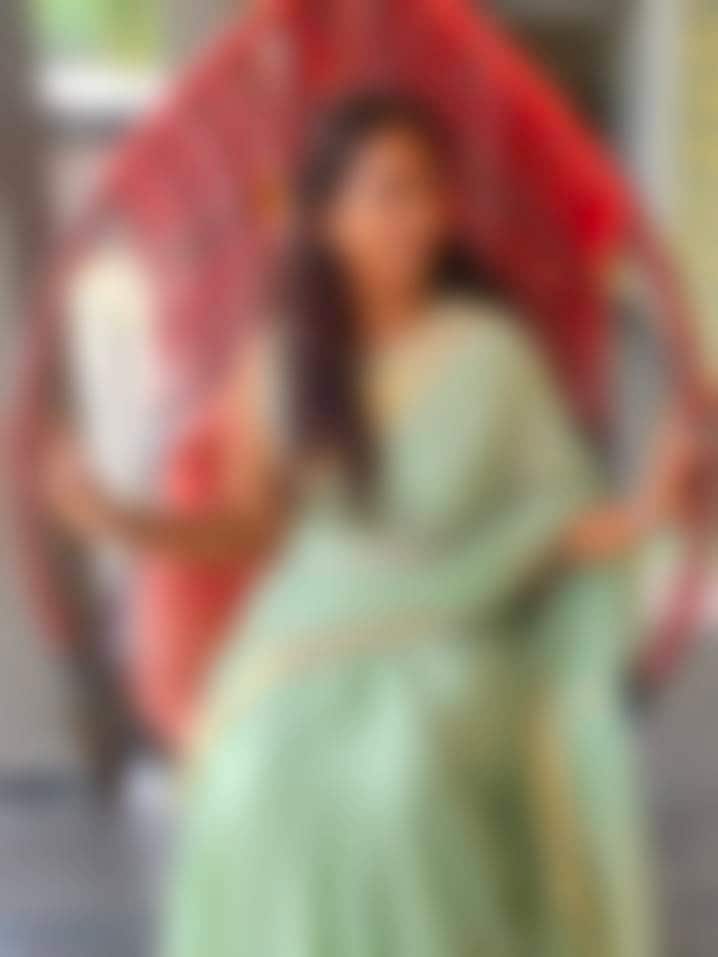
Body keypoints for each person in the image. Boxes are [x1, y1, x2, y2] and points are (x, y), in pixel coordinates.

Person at [45, 92, 697, 956]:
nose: (419, 215)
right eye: (390, 192)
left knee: (402, 786)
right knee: (248, 774)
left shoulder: (490, 353)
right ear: (323, 218)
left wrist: (652, 508)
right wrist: (125, 522)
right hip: (303, 629)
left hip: (458, 630)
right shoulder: (279, 358)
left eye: (429, 190)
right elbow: (252, 523)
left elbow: (558, 519)